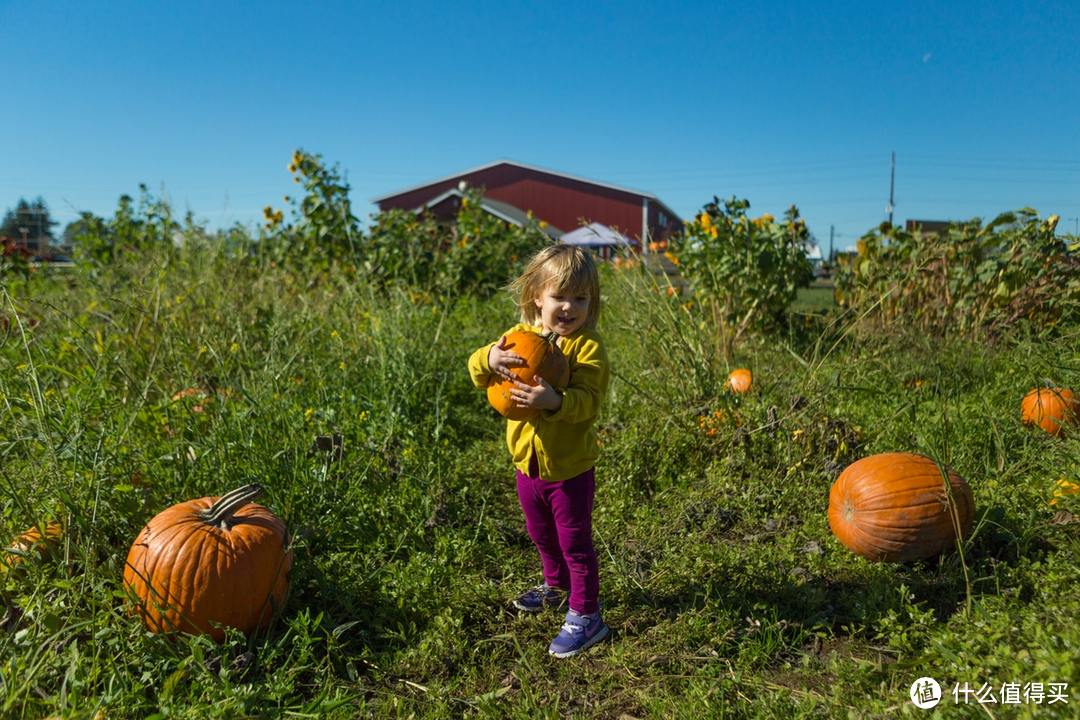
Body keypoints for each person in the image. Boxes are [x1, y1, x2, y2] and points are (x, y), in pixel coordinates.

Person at [467, 244, 610, 658]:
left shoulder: (588, 348)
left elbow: (590, 402)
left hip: (569, 469)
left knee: (575, 542)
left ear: (591, 303)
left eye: (580, 299)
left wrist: (556, 402)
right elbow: (476, 370)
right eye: (559, 297)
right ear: (537, 296)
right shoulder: (518, 338)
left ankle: (586, 614)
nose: (569, 307)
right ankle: (554, 586)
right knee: (540, 533)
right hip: (526, 465)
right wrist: (489, 357)